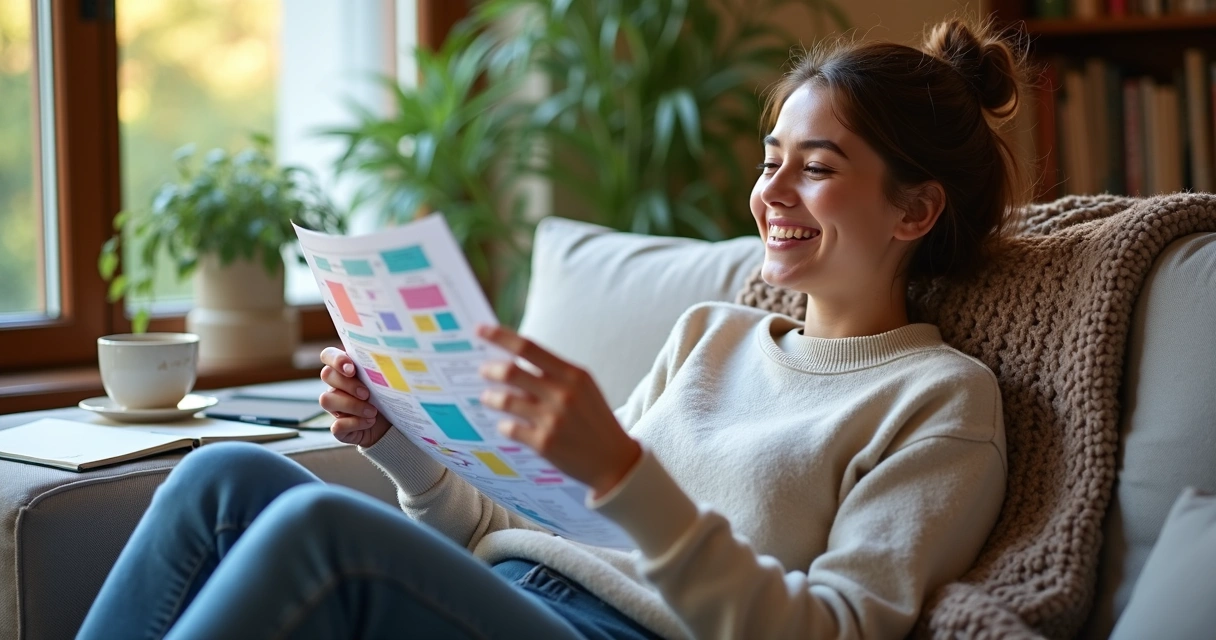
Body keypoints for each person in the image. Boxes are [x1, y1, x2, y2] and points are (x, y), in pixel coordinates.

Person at [77, 17, 1030, 640]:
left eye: (816, 168)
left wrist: (624, 474)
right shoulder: (713, 336)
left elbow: (837, 630)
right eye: (770, 159)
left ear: (915, 211)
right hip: (522, 597)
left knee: (323, 529)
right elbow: (536, 528)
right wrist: (403, 444)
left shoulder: (940, 401)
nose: (770, 192)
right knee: (220, 477)